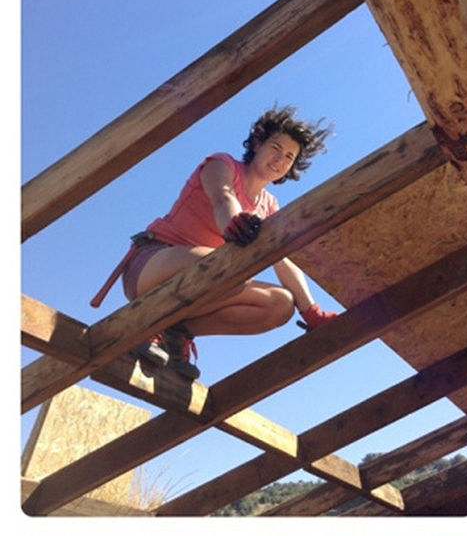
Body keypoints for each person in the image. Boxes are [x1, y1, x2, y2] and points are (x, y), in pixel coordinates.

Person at [91, 106, 339, 379]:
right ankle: (149, 323)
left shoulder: (269, 206)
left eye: (289, 157)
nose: (280, 159)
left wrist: (312, 312)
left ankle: (177, 332)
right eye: (276, 148)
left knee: (281, 304)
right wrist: (233, 225)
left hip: (209, 280)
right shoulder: (222, 165)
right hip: (153, 265)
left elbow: (284, 260)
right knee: (235, 271)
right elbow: (223, 198)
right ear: (257, 144)